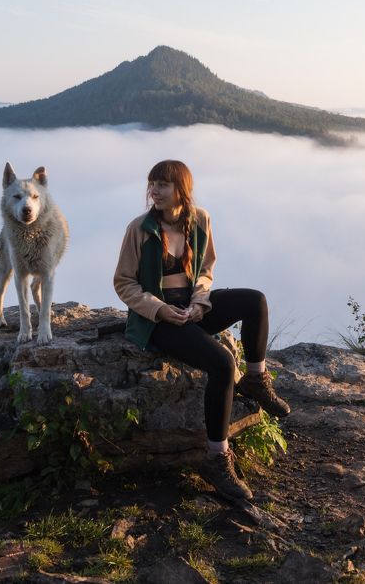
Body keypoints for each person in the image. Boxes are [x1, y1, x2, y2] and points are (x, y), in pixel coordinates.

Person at [113, 159, 290, 500]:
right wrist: (160, 309)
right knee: (222, 363)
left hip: (191, 307)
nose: (154, 191)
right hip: (157, 319)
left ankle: (255, 379)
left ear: (182, 189)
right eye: (152, 184)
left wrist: (200, 302)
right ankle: (217, 457)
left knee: (255, 301)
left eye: (162, 185)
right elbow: (124, 282)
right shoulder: (139, 229)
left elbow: (205, 270)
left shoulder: (201, 220)